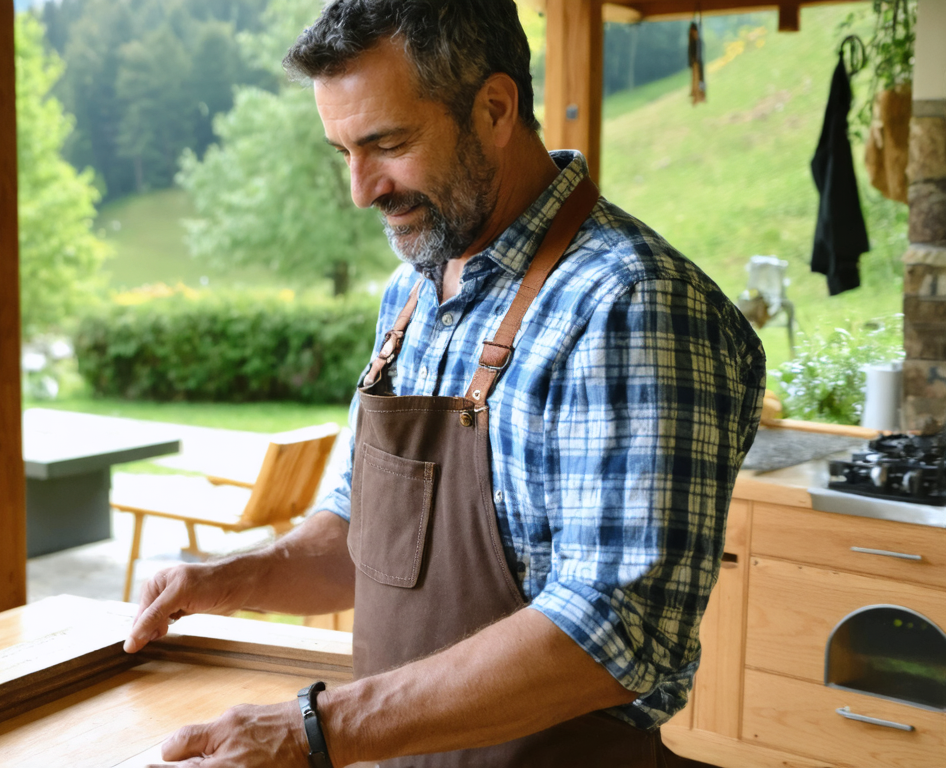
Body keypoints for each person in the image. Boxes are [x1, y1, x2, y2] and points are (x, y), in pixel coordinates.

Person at [125, 2, 766, 766]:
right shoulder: (414, 291)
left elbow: (612, 633)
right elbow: (358, 534)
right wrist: (228, 579)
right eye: (343, 152)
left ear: (495, 108)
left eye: (387, 144)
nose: (362, 190)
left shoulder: (629, 305)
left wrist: (315, 730)